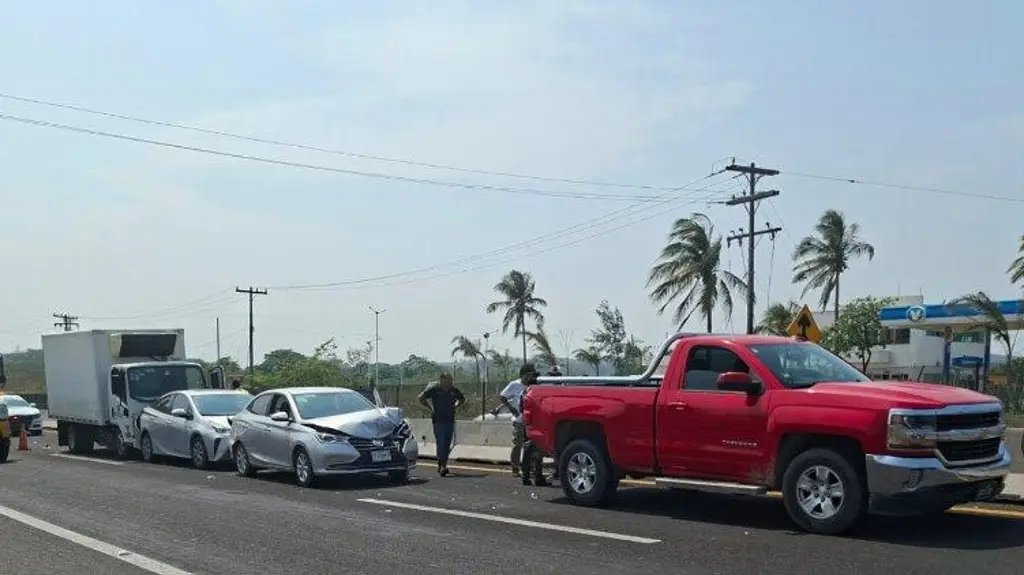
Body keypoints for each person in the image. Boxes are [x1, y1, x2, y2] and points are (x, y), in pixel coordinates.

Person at [418, 372, 465, 477]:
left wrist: (455, 406)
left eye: (451, 380)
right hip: (438, 420)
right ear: (442, 379)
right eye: (448, 379)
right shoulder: (434, 389)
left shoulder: (453, 390)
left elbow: (462, 399)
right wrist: (430, 407)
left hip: (450, 419)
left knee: (447, 443)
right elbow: (421, 397)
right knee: (441, 442)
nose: (450, 381)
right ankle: (441, 466)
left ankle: (444, 464)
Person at [517, 363, 548, 487]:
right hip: (535, 426)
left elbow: (521, 410)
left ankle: (527, 476)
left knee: (529, 453)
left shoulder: (525, 393)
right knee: (537, 453)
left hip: (529, 426)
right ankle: (537, 476)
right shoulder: (535, 394)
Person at [498, 370, 527, 477]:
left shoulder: (533, 385)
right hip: (519, 420)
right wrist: (511, 408)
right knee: (517, 444)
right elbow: (502, 396)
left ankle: (529, 468)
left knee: (531, 446)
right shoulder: (515, 385)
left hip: (531, 421)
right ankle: (515, 467)